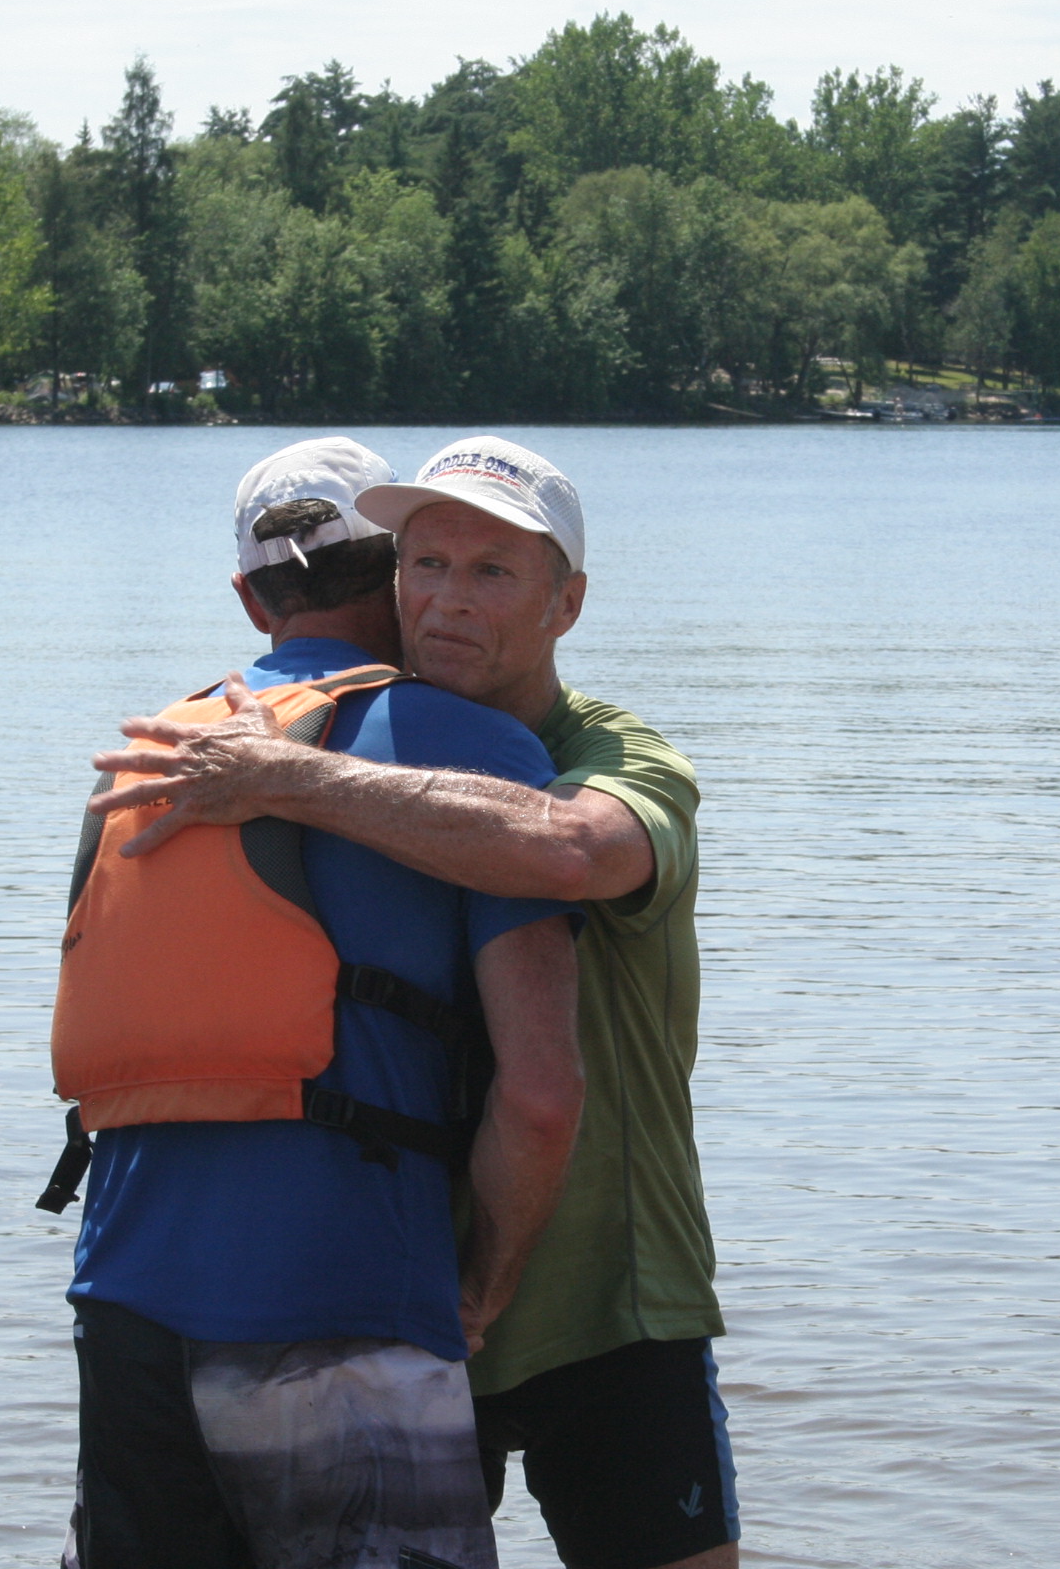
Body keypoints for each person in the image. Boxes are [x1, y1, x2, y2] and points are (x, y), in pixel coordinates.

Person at [93, 436, 735, 1569]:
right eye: (425, 563)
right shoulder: (357, 738)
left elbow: (570, 850)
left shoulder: (620, 757)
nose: (446, 600)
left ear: (567, 602)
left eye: (493, 573)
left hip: (603, 1295)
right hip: (422, 1286)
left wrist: (290, 777)